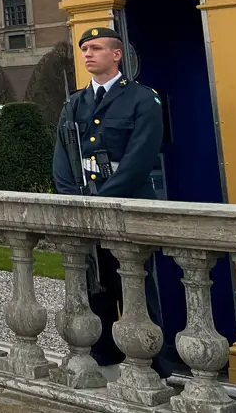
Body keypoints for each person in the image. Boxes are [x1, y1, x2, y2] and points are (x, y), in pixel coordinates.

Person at [51, 26, 180, 377]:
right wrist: (73, 199)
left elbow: (139, 160)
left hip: (127, 207)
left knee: (135, 284)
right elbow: (62, 158)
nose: (87, 54)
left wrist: (103, 201)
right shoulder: (74, 103)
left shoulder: (143, 99)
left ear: (116, 54)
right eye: (84, 49)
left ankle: (152, 362)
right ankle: (103, 353)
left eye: (95, 48)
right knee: (97, 283)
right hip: (87, 206)